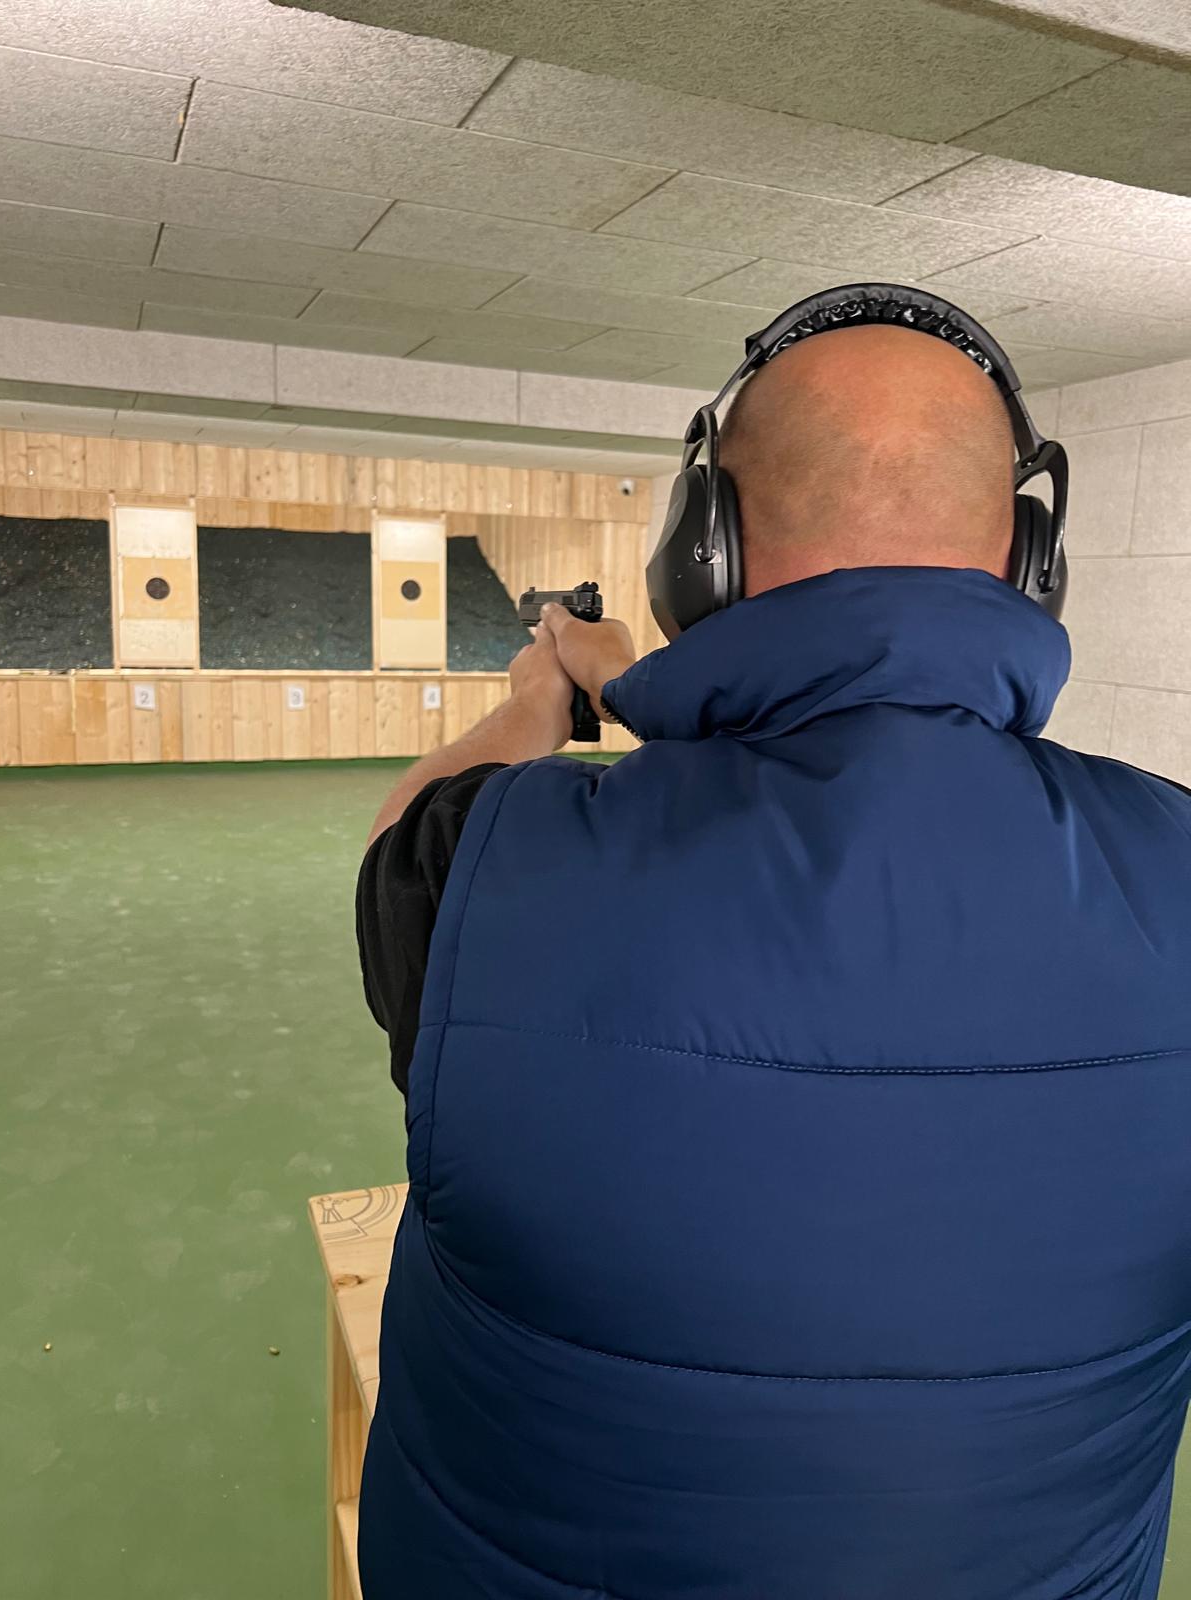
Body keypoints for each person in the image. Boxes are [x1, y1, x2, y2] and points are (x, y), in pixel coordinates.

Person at [355, 320, 1191, 1600]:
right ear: (1032, 563)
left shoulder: (489, 862)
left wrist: (541, 701)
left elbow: (401, 843)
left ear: (703, 551)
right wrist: (649, 691)